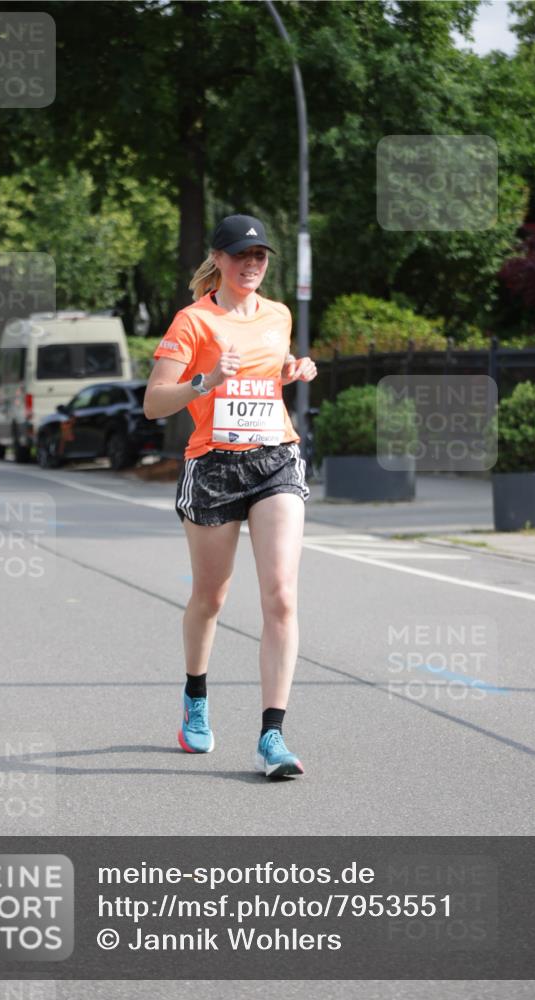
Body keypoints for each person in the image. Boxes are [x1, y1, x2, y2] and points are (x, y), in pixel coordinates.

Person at [144, 214, 317, 779]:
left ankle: (273, 736)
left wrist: (291, 370)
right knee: (211, 598)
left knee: (282, 596)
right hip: (213, 465)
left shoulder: (279, 315)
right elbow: (154, 403)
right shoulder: (192, 321)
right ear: (217, 259)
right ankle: (196, 692)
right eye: (241, 255)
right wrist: (207, 380)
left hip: (274, 458)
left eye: (261, 256)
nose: (252, 264)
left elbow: (266, 380)